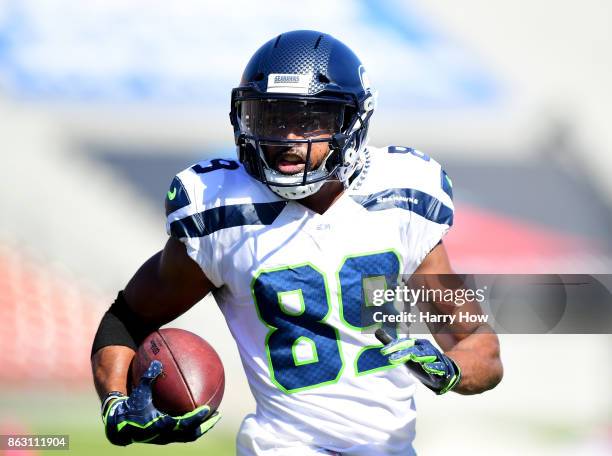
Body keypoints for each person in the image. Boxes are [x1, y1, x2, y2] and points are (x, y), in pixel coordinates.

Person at [91, 29, 503, 455]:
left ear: (351, 121)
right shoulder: (220, 209)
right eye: (272, 118)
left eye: (308, 120)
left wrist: (450, 369)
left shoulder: (403, 196)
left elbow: (478, 342)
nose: (287, 137)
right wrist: (117, 404)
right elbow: (126, 318)